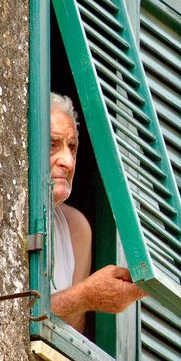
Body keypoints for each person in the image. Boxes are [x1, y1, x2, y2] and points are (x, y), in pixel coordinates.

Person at [48, 93, 146, 333]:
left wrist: (85, 298)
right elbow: (10, 323)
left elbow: (70, 334)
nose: (68, 162)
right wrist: (83, 296)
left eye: (72, 147)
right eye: (53, 145)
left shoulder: (75, 227)